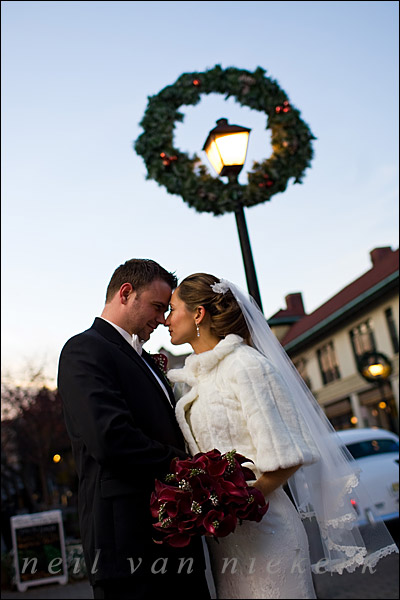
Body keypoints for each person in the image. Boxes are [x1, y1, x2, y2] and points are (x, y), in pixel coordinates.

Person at [165, 273, 398, 599]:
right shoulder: (195, 381)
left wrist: (238, 503)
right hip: (227, 542)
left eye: (173, 309)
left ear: (198, 313)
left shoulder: (246, 366)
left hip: (268, 529)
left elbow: (288, 455)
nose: (166, 320)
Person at [57, 260, 211, 600]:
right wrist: (192, 468)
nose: (161, 318)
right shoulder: (85, 350)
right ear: (126, 293)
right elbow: (111, 439)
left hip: (173, 541)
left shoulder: (144, 358)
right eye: (157, 307)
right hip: (128, 547)